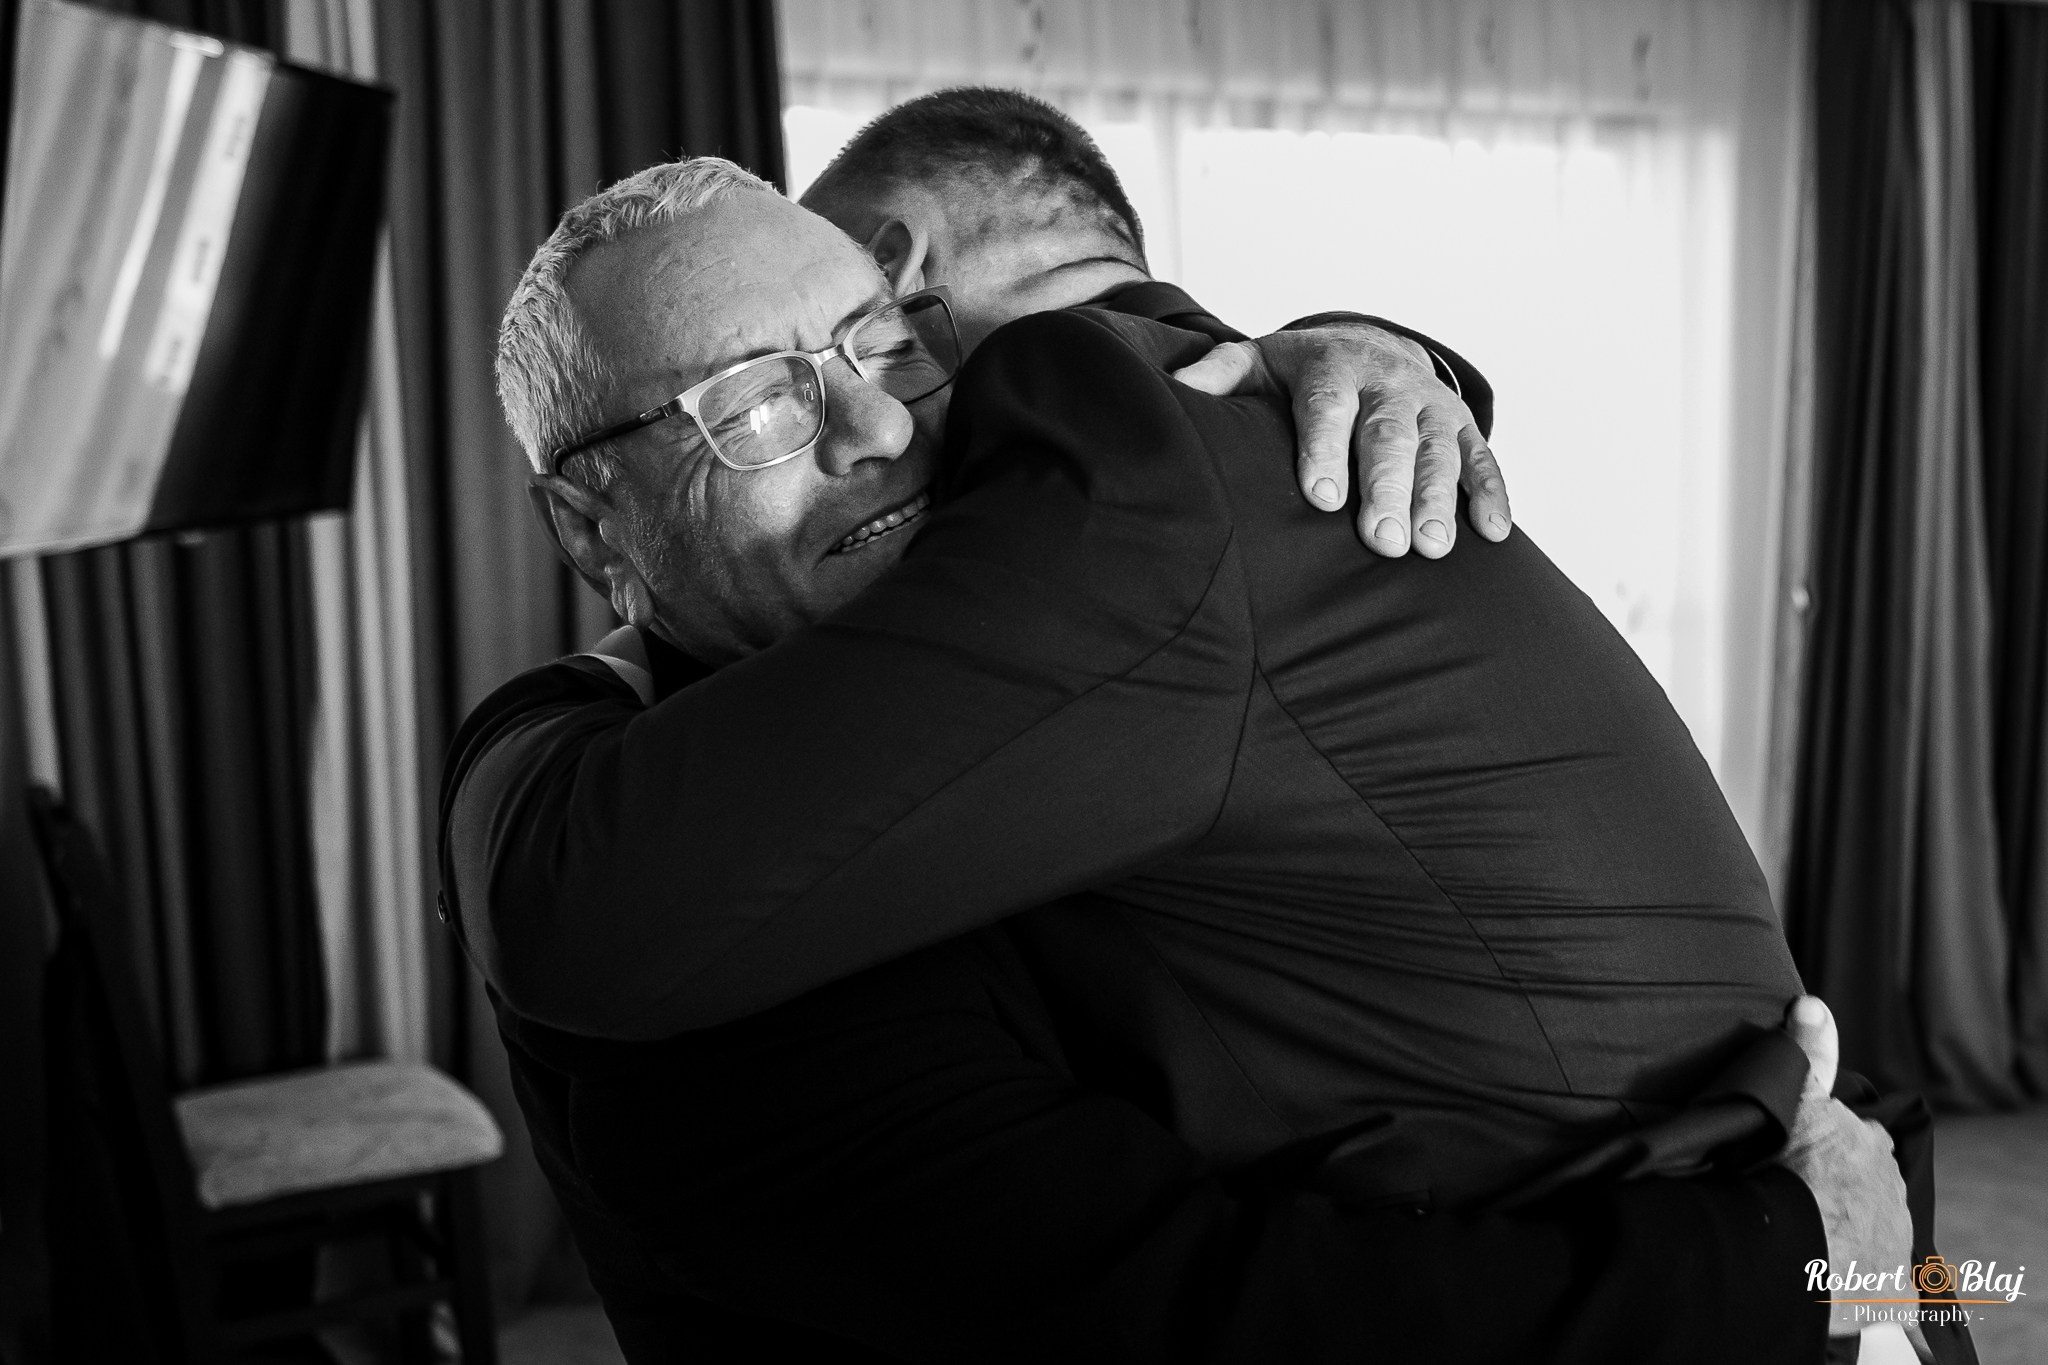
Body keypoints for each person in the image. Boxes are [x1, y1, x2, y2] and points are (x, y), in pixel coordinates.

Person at [442, 142, 1928, 1361]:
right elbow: (1186, 1311)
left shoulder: (1074, 594)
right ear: (586, 525)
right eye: (757, 403)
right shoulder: (699, 845)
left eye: (881, 348)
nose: (879, 424)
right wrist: (1778, 1259)